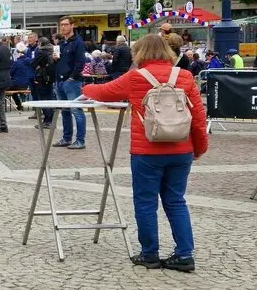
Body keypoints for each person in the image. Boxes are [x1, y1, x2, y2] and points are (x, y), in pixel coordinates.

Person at [81, 34, 208, 272]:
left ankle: (149, 253)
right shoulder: (184, 76)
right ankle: (184, 254)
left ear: (139, 53)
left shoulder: (135, 77)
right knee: (176, 201)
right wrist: (199, 148)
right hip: (181, 148)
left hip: (147, 150)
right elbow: (199, 117)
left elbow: (104, 92)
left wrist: (85, 87)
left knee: (146, 202)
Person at [54, 17, 87, 149]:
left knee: (77, 111)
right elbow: (62, 62)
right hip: (60, 81)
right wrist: (55, 59)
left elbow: (81, 63)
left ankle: (80, 140)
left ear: (72, 25)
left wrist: (72, 78)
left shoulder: (78, 42)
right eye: (61, 25)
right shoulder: (62, 43)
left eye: (66, 24)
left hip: (72, 82)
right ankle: (66, 138)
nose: (63, 27)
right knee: (65, 111)